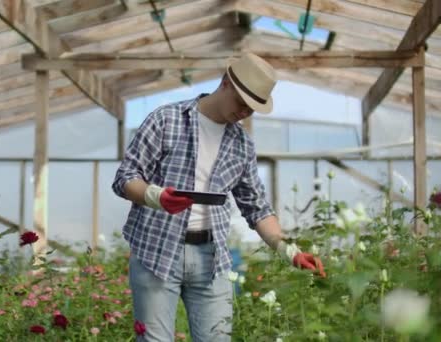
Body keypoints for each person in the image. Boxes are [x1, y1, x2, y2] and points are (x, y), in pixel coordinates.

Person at [112, 53, 326, 342]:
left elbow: (258, 209)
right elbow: (125, 177)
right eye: (242, 103)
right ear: (226, 83)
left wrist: (290, 250)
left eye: (252, 109)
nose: (244, 113)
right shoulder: (166, 120)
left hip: (210, 259)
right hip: (156, 250)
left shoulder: (242, 145)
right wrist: (156, 196)